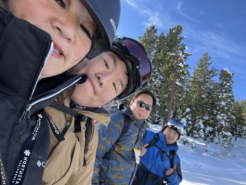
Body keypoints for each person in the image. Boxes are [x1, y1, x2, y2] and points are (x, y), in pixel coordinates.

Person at [0, 1, 121, 184]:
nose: (69, 30)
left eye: (86, 30)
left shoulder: (35, 120)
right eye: (60, 1)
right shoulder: (42, 111)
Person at [42, 37, 152, 185]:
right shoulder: (33, 83)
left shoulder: (88, 132)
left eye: (114, 85)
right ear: (88, 54)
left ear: (107, 101)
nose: (104, 79)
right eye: (106, 64)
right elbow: (99, 157)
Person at [92, 90, 157, 185]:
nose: (143, 109)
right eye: (140, 104)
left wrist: (138, 148)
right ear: (131, 103)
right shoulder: (117, 120)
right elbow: (93, 152)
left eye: (148, 107)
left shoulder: (139, 128)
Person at [133, 119, 183, 185]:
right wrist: (138, 146)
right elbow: (127, 141)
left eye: (175, 133)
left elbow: (176, 182)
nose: (171, 135)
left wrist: (171, 175)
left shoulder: (174, 158)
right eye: (170, 130)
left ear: (178, 137)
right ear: (164, 129)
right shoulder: (148, 137)